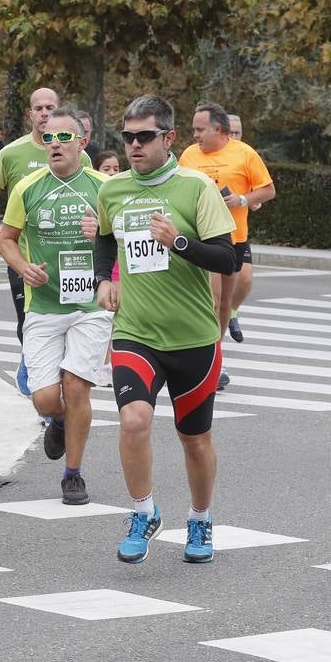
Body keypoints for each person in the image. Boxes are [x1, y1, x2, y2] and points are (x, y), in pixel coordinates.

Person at [94, 95, 237, 566]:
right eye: (127, 137)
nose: (134, 145)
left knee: (194, 439)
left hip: (193, 336)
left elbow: (225, 258)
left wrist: (177, 241)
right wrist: (102, 280)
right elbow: (104, 240)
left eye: (144, 136)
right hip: (136, 332)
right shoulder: (113, 190)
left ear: (168, 138)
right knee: (133, 420)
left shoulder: (196, 188)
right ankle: (143, 511)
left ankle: (200, 518)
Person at [0, 106, 110, 506]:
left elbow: (124, 241)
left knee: (77, 385)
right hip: (44, 306)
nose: (56, 145)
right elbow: (6, 238)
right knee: (45, 398)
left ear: (82, 142)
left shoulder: (103, 187)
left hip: (90, 306)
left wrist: (103, 231)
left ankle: (73, 475)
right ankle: (58, 420)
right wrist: (23, 267)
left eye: (65, 138)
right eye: (49, 138)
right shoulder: (27, 187)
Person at [0, 87, 91, 392]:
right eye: (38, 108)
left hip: (74, 260)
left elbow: (97, 205)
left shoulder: (83, 157)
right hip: (27, 258)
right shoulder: (11, 153)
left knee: (75, 326)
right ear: (30, 114)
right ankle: (33, 364)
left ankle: (60, 380)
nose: (44, 113)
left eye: (50, 108)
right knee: (28, 319)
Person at [178, 102, 275, 383]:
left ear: (217, 130)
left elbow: (268, 190)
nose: (194, 135)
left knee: (224, 304)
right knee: (212, 298)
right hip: (201, 238)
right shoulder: (188, 155)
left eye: (199, 129)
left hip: (234, 238)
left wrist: (242, 200)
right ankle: (204, 359)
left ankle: (215, 358)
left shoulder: (244, 153)